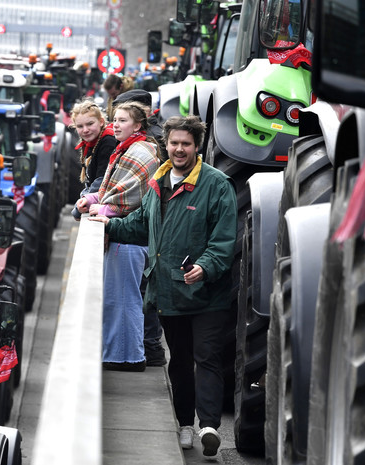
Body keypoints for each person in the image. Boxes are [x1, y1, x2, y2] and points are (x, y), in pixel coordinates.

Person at [89, 115, 237, 457]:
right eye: (174, 143)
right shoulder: (159, 180)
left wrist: (205, 266)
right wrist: (108, 224)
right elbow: (141, 225)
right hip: (170, 293)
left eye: (186, 143)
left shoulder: (217, 185)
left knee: (208, 357)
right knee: (181, 360)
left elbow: (225, 239)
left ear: (197, 146)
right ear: (166, 144)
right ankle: (185, 424)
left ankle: (210, 426)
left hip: (208, 293)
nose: (180, 149)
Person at [75, 100, 160, 372]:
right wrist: (91, 197)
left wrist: (101, 206)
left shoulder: (140, 151)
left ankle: (129, 358)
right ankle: (118, 354)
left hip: (130, 239)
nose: (116, 126)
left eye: (122, 121)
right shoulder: (126, 149)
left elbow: (132, 196)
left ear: (137, 125)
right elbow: (115, 189)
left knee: (125, 298)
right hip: (123, 236)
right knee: (117, 298)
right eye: (115, 120)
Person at [113, 89, 168, 367]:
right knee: (144, 291)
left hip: (141, 232)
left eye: (123, 117)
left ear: (141, 117)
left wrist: (107, 206)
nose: (117, 125)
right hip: (143, 230)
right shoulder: (147, 140)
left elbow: (142, 191)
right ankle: (151, 347)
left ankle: (149, 348)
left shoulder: (147, 144)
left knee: (141, 294)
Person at [68, 98, 118, 220]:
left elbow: (100, 182)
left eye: (90, 124)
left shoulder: (108, 142)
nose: (85, 130)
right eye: (80, 126)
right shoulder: (91, 142)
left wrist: (78, 209)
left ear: (101, 122)